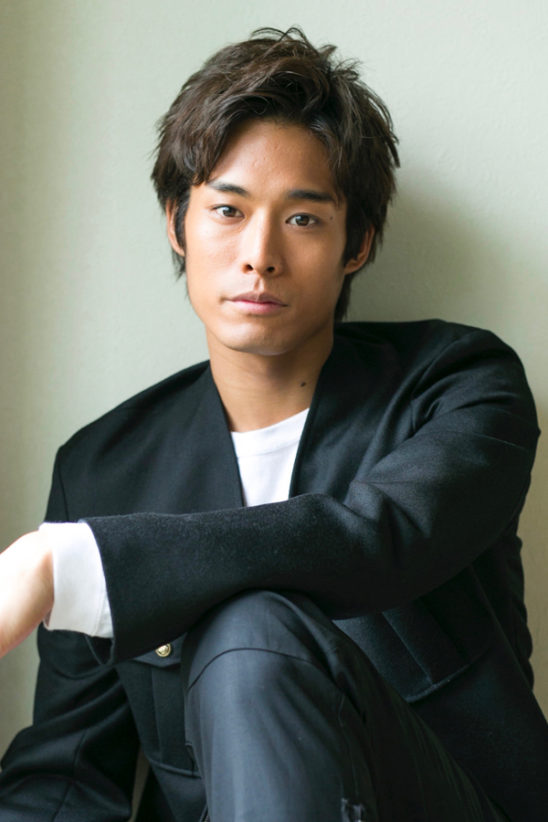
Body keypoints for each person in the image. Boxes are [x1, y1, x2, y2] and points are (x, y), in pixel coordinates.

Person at [0, 26, 546, 822]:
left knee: (253, 626)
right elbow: (67, 780)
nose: (259, 255)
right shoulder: (103, 469)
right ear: (176, 222)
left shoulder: (459, 386)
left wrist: (74, 564)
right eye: (227, 209)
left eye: (303, 220)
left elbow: (379, 538)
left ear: (356, 243)